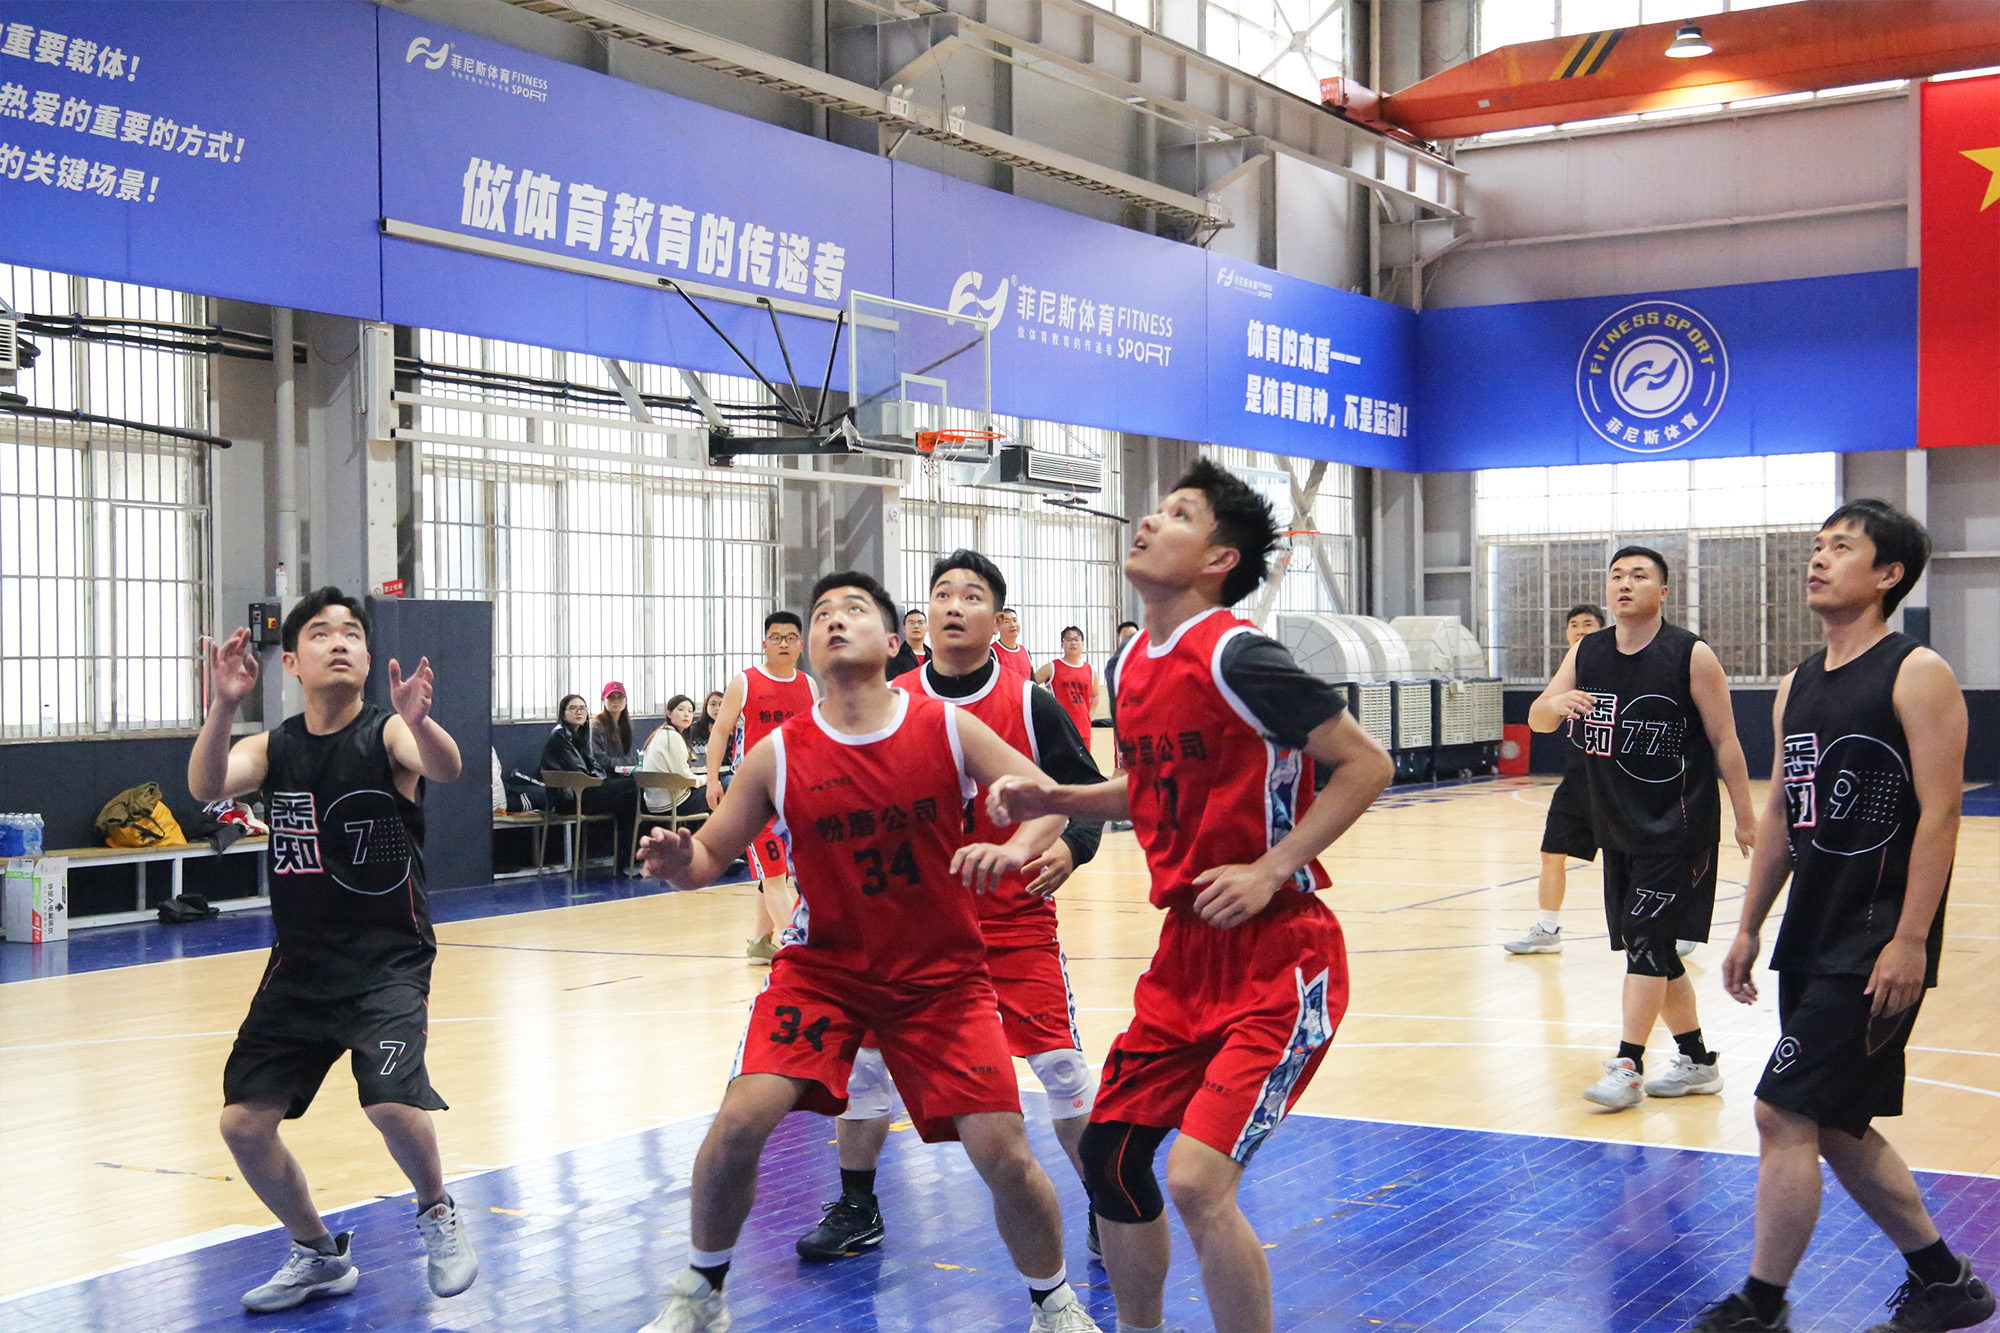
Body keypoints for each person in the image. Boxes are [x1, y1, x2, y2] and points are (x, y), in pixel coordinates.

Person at [633, 571, 1099, 1333]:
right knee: (739, 1123)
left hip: (941, 978)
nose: (833, 619)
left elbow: (1049, 795)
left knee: (1005, 1152)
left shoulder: (946, 727)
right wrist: (679, 859)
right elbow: (708, 858)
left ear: (891, 641)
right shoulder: (777, 754)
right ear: (810, 648)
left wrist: (1017, 847)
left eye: (854, 609)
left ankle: (1054, 1303)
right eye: (822, 612)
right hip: (824, 975)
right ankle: (702, 1290)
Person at [989, 458, 1395, 1333]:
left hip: (1280, 953)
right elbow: (1150, 786)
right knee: (1111, 1157)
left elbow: (1367, 764)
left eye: (1179, 513)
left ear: (1219, 559)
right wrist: (1057, 796)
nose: (1149, 520)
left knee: (1198, 1180)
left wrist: (1272, 866)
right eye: (1156, 507)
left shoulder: (1241, 655)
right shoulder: (1132, 660)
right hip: (1185, 954)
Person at [1689, 502, 1990, 1333]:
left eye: (1841, 547)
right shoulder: (1797, 684)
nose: (1818, 559)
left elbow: (1941, 814)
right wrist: (1749, 924)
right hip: (1810, 934)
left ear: (1889, 573)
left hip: (1875, 938)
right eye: (1817, 546)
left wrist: (1910, 937)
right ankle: (1945, 1281)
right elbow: (1785, 813)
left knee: (1780, 1108)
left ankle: (1761, 1304)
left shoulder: (1916, 672)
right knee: (1835, 1123)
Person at [798, 550, 1107, 1264]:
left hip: (1011, 917)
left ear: (998, 620)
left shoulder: (1030, 702)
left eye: (971, 595)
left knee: (1060, 1064)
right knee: (865, 1062)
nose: (954, 606)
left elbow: (1084, 792)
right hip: (909, 927)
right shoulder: (889, 697)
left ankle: (1105, 1202)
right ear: (925, 615)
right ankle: (857, 1205)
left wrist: (1073, 847)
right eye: (942, 594)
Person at [186, 587, 476, 1313]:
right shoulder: (274, 747)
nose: (339, 641)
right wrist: (222, 706)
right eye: (320, 633)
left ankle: (436, 1208)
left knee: (389, 1102)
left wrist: (420, 719)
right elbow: (206, 784)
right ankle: (316, 1251)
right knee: (242, 1124)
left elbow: (445, 768)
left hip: (388, 960)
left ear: (369, 658)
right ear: (290, 661)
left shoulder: (389, 734)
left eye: (352, 633)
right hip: (302, 964)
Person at [1530, 546, 1758, 1111]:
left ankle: (1628, 1064)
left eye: (1639, 575)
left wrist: (1746, 817)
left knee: (1647, 940)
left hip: (1679, 826)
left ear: (1663, 591)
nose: (1625, 583)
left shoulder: (1690, 654)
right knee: (1648, 946)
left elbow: (1726, 740)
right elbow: (1539, 718)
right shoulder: (1587, 650)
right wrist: (1556, 702)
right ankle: (1698, 1061)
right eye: (1616, 575)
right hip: (1618, 825)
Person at [707, 613, 819, 961]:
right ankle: (799, 952)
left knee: (780, 873)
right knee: (773, 877)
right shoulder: (745, 682)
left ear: (801, 645)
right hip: (754, 795)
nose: (783, 644)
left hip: (796, 793)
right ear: (764, 644)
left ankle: (759, 941)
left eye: (790, 637)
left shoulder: (809, 685)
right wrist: (712, 779)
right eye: (776, 637)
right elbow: (720, 732)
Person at [1504, 604, 1604, 954]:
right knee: (1552, 852)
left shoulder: (1619, 665)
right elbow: (1540, 719)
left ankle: (1669, 930)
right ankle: (1548, 929)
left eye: (1588, 624)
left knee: (1638, 859)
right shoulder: (1569, 673)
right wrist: (1553, 704)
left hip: (1618, 782)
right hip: (1577, 779)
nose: (1580, 630)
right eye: (1574, 625)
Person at [545, 692, 639, 870]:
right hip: (570, 798)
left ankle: (626, 858)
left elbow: (594, 766)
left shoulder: (580, 734)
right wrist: (600, 779)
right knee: (630, 787)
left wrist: (599, 778)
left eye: (582, 708)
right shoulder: (560, 736)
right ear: (563, 713)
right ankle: (627, 859)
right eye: (573, 708)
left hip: (584, 791)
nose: (579, 712)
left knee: (630, 798)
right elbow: (581, 771)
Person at [640, 695, 707, 816]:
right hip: (673, 804)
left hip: (652, 805)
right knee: (719, 790)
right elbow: (685, 778)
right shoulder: (673, 737)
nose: (686, 714)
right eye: (681, 709)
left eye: (690, 711)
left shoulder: (659, 733)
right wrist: (706, 779)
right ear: (668, 713)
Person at [1036, 625, 1103, 742]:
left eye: (1076, 639)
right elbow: (1029, 685)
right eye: (1068, 639)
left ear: (1082, 644)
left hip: (1083, 731)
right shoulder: (1052, 667)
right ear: (1063, 644)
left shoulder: (1091, 670)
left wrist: (1088, 718)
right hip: (1058, 730)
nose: (1073, 643)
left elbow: (1095, 696)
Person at [590, 681, 641, 769]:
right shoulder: (596, 726)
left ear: (626, 701)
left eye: (620, 697)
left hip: (621, 772)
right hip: (604, 774)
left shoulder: (626, 725)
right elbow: (600, 760)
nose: (616, 701)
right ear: (603, 701)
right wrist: (634, 761)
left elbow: (627, 755)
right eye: (611, 697)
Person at [885, 607, 929, 680]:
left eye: (920, 622)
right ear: (904, 629)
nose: (916, 626)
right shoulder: (895, 657)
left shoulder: (933, 657)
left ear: (927, 628)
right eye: (911, 623)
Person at [995, 606, 1034, 680]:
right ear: (997, 627)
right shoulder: (992, 652)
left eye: (1015, 620)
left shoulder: (1025, 652)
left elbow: (1032, 682)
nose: (1013, 625)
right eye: (1006, 621)